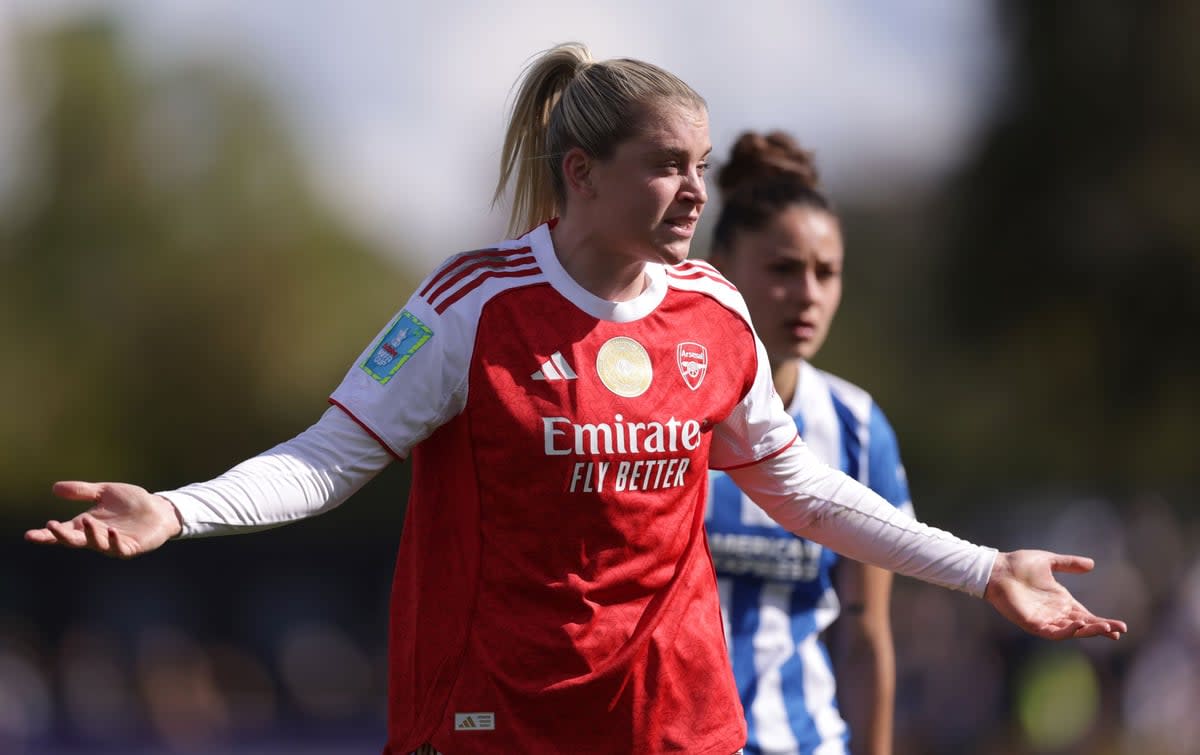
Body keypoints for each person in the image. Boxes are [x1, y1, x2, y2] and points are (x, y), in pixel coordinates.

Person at [26, 42, 1125, 755]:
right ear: (580, 172)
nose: (695, 190)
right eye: (665, 165)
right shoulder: (472, 305)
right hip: (493, 716)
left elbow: (801, 491)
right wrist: (178, 507)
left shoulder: (712, 310)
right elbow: (327, 456)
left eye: (700, 166)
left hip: (674, 713)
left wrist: (986, 568)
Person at [704, 131, 906, 754]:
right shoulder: (663, 412)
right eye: (784, 269)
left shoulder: (858, 426)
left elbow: (865, 634)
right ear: (718, 271)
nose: (810, 294)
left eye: (827, 273)